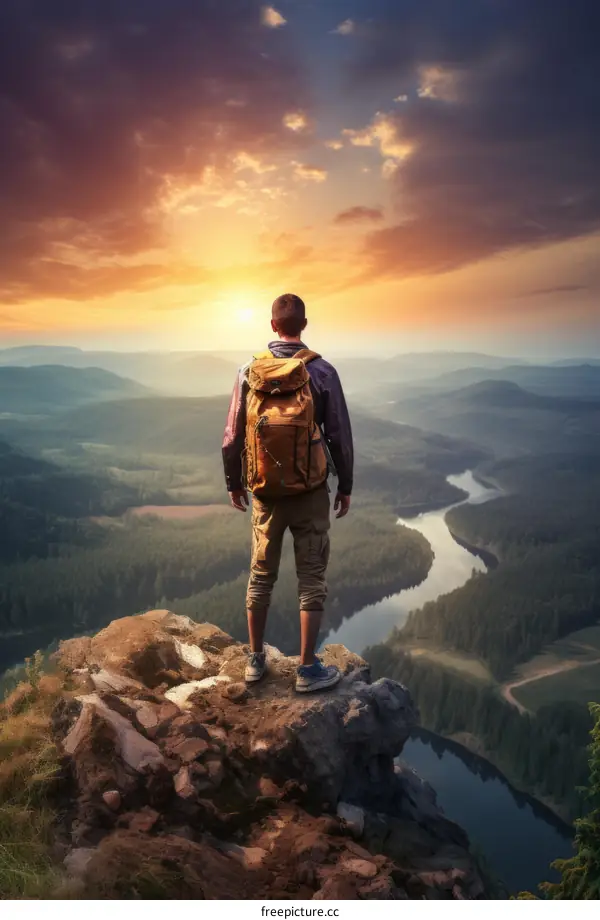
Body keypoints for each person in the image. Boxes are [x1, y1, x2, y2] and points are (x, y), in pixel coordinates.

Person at [222, 293, 354, 692]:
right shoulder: (322, 371)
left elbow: (232, 435)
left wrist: (234, 482)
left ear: (272, 325)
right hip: (310, 491)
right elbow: (339, 434)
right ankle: (308, 669)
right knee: (311, 577)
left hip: (265, 491)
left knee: (261, 574)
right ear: (304, 325)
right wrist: (345, 485)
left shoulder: (249, 371)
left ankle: (255, 660)